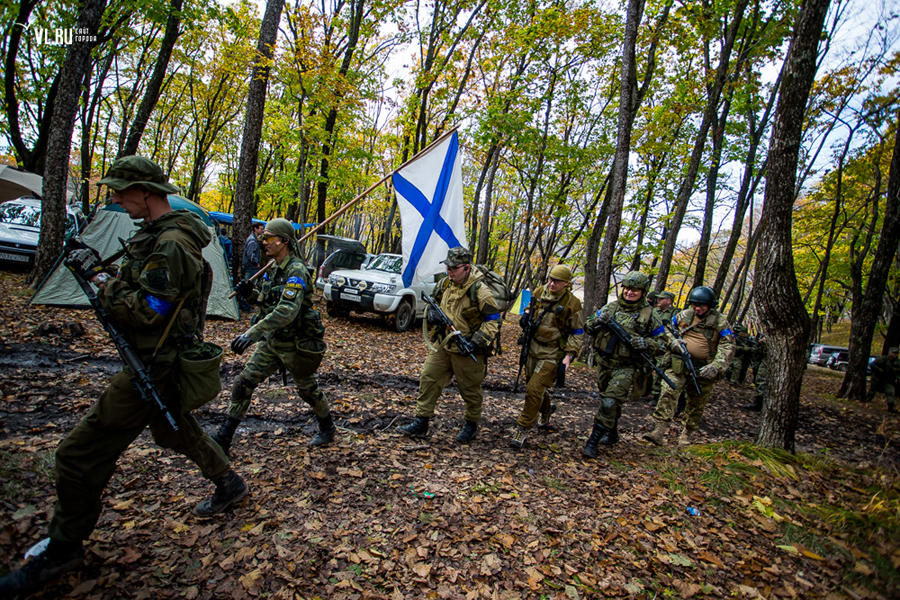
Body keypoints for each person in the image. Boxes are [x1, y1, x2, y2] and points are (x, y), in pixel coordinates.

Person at [0, 156, 246, 596]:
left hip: (152, 364)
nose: (115, 198)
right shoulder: (158, 237)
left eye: (121, 191)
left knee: (78, 453)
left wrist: (102, 281)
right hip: (157, 360)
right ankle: (228, 481)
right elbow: (150, 290)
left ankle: (63, 548)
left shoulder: (171, 243)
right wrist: (105, 270)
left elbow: (153, 309)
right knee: (174, 429)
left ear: (146, 192)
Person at [212, 218, 334, 453]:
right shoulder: (276, 268)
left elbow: (287, 310)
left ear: (283, 241)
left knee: (307, 390)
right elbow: (268, 301)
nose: (263, 241)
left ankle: (327, 428)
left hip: (296, 343)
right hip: (273, 342)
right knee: (243, 382)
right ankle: (224, 437)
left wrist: (252, 333)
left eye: (268, 237)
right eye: (262, 237)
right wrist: (250, 294)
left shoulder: (296, 270)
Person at [397, 247, 501, 443]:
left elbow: (493, 321)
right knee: (429, 378)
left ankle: (471, 424)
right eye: (448, 267)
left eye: (454, 268)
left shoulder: (480, 291)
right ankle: (421, 421)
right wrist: (432, 315)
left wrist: (476, 342)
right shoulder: (445, 284)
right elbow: (432, 303)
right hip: (443, 344)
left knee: (469, 389)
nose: (449, 271)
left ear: (467, 268)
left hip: (468, 347)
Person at [582, 271, 667, 458]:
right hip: (605, 363)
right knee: (610, 400)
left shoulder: (650, 315)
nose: (629, 292)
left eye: (634, 290)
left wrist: (645, 343)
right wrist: (597, 321)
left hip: (627, 366)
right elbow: (587, 327)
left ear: (643, 292)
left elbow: (662, 344)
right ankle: (612, 433)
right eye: (627, 288)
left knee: (610, 401)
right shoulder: (610, 308)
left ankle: (593, 441)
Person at [644, 285, 735, 446]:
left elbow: (727, 346)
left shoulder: (720, 322)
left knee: (696, 401)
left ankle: (687, 433)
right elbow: (665, 330)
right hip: (679, 364)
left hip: (703, 369)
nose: (697, 308)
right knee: (668, 391)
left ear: (710, 306)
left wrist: (716, 366)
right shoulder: (684, 316)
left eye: (701, 306)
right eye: (695, 305)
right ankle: (659, 430)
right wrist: (673, 342)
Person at [510, 265, 584, 449]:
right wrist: (526, 314)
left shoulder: (572, 303)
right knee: (535, 388)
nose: (552, 283)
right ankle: (547, 410)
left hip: (553, 351)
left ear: (566, 283)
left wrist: (569, 355)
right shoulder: (539, 291)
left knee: (534, 389)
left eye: (557, 281)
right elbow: (531, 306)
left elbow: (578, 332)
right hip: (533, 347)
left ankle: (523, 428)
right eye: (551, 279)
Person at [648, 291, 678, 405]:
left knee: (660, 370)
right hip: (651, 344)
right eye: (658, 299)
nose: (658, 300)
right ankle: (645, 390)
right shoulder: (654, 311)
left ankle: (656, 395)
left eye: (662, 299)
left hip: (664, 347)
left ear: (669, 301)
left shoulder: (675, 313)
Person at [867, 347, 899, 413]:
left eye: (896, 353)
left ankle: (890, 407)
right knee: (872, 390)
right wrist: (879, 370)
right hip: (878, 378)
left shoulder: (897, 362)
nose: (895, 354)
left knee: (890, 392)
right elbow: (872, 364)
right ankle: (867, 401)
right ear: (890, 352)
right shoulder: (882, 358)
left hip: (889, 380)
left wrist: (897, 378)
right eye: (893, 353)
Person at [743, 334, 768, 411]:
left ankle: (759, 404)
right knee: (760, 380)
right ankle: (759, 403)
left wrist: (764, 342)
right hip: (764, 360)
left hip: (768, 362)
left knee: (761, 380)